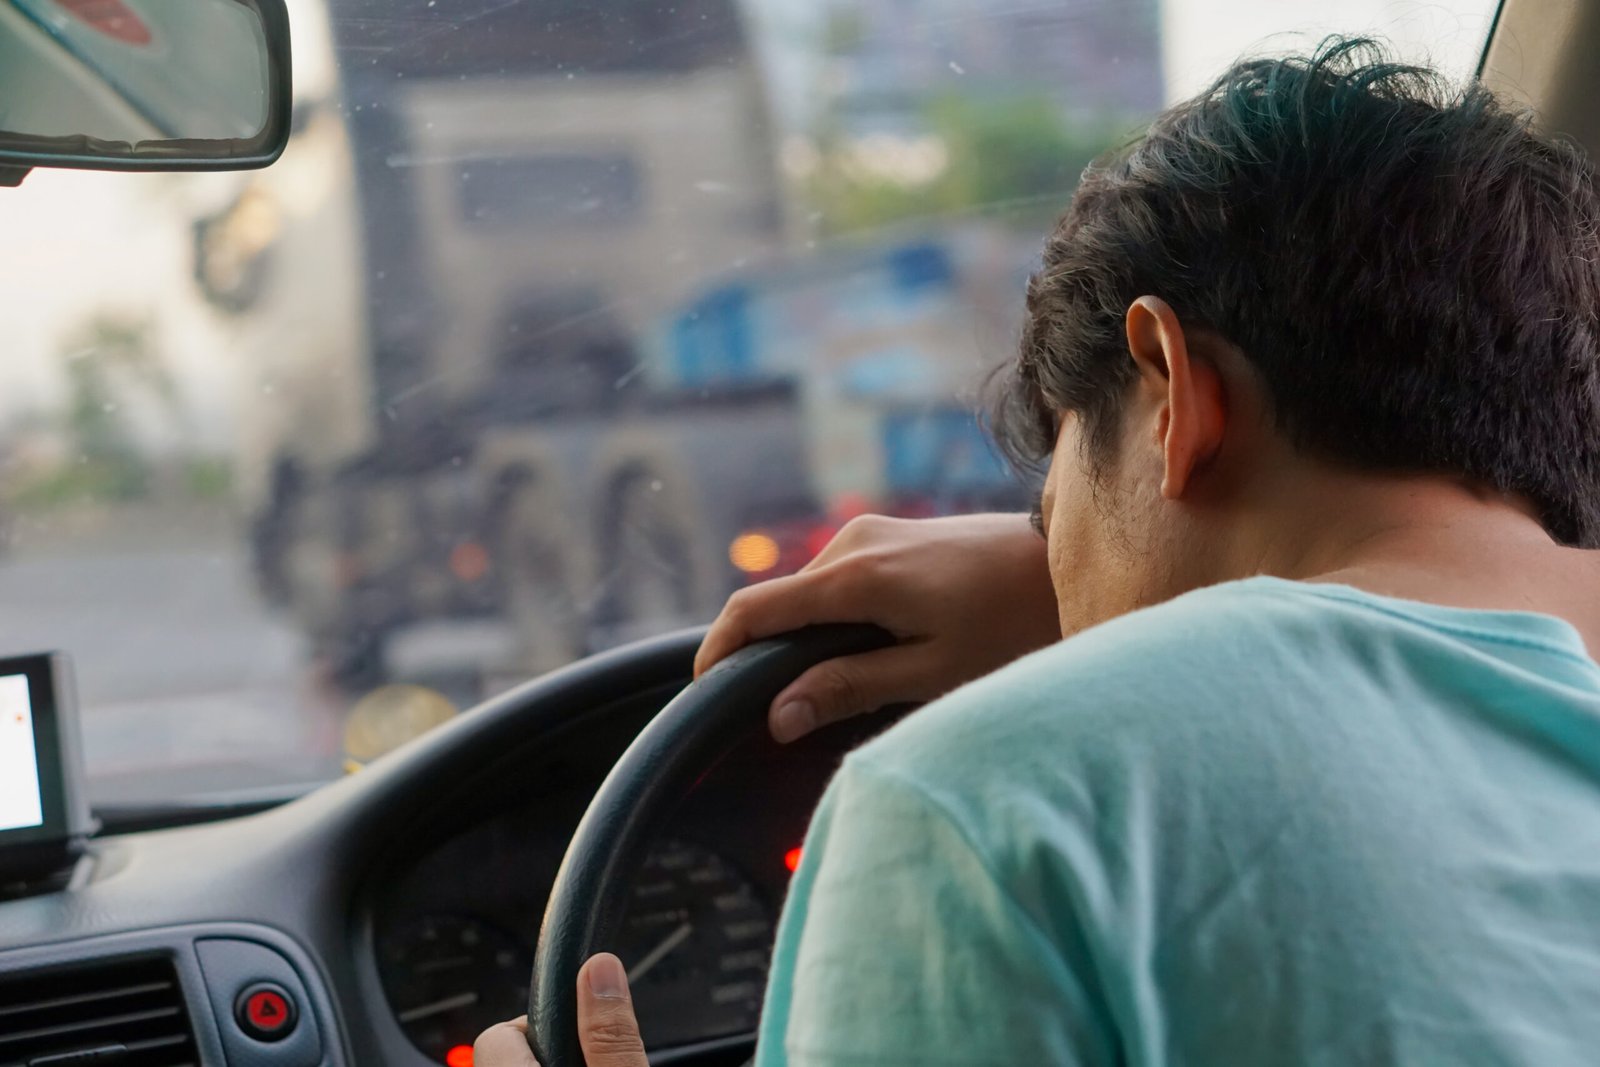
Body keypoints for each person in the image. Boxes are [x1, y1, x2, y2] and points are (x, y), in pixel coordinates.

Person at [477, 37, 1600, 1066]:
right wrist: (1074, 584)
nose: (1058, 575)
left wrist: (1104, 655)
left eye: (1053, 497)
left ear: (1168, 390)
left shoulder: (993, 800)